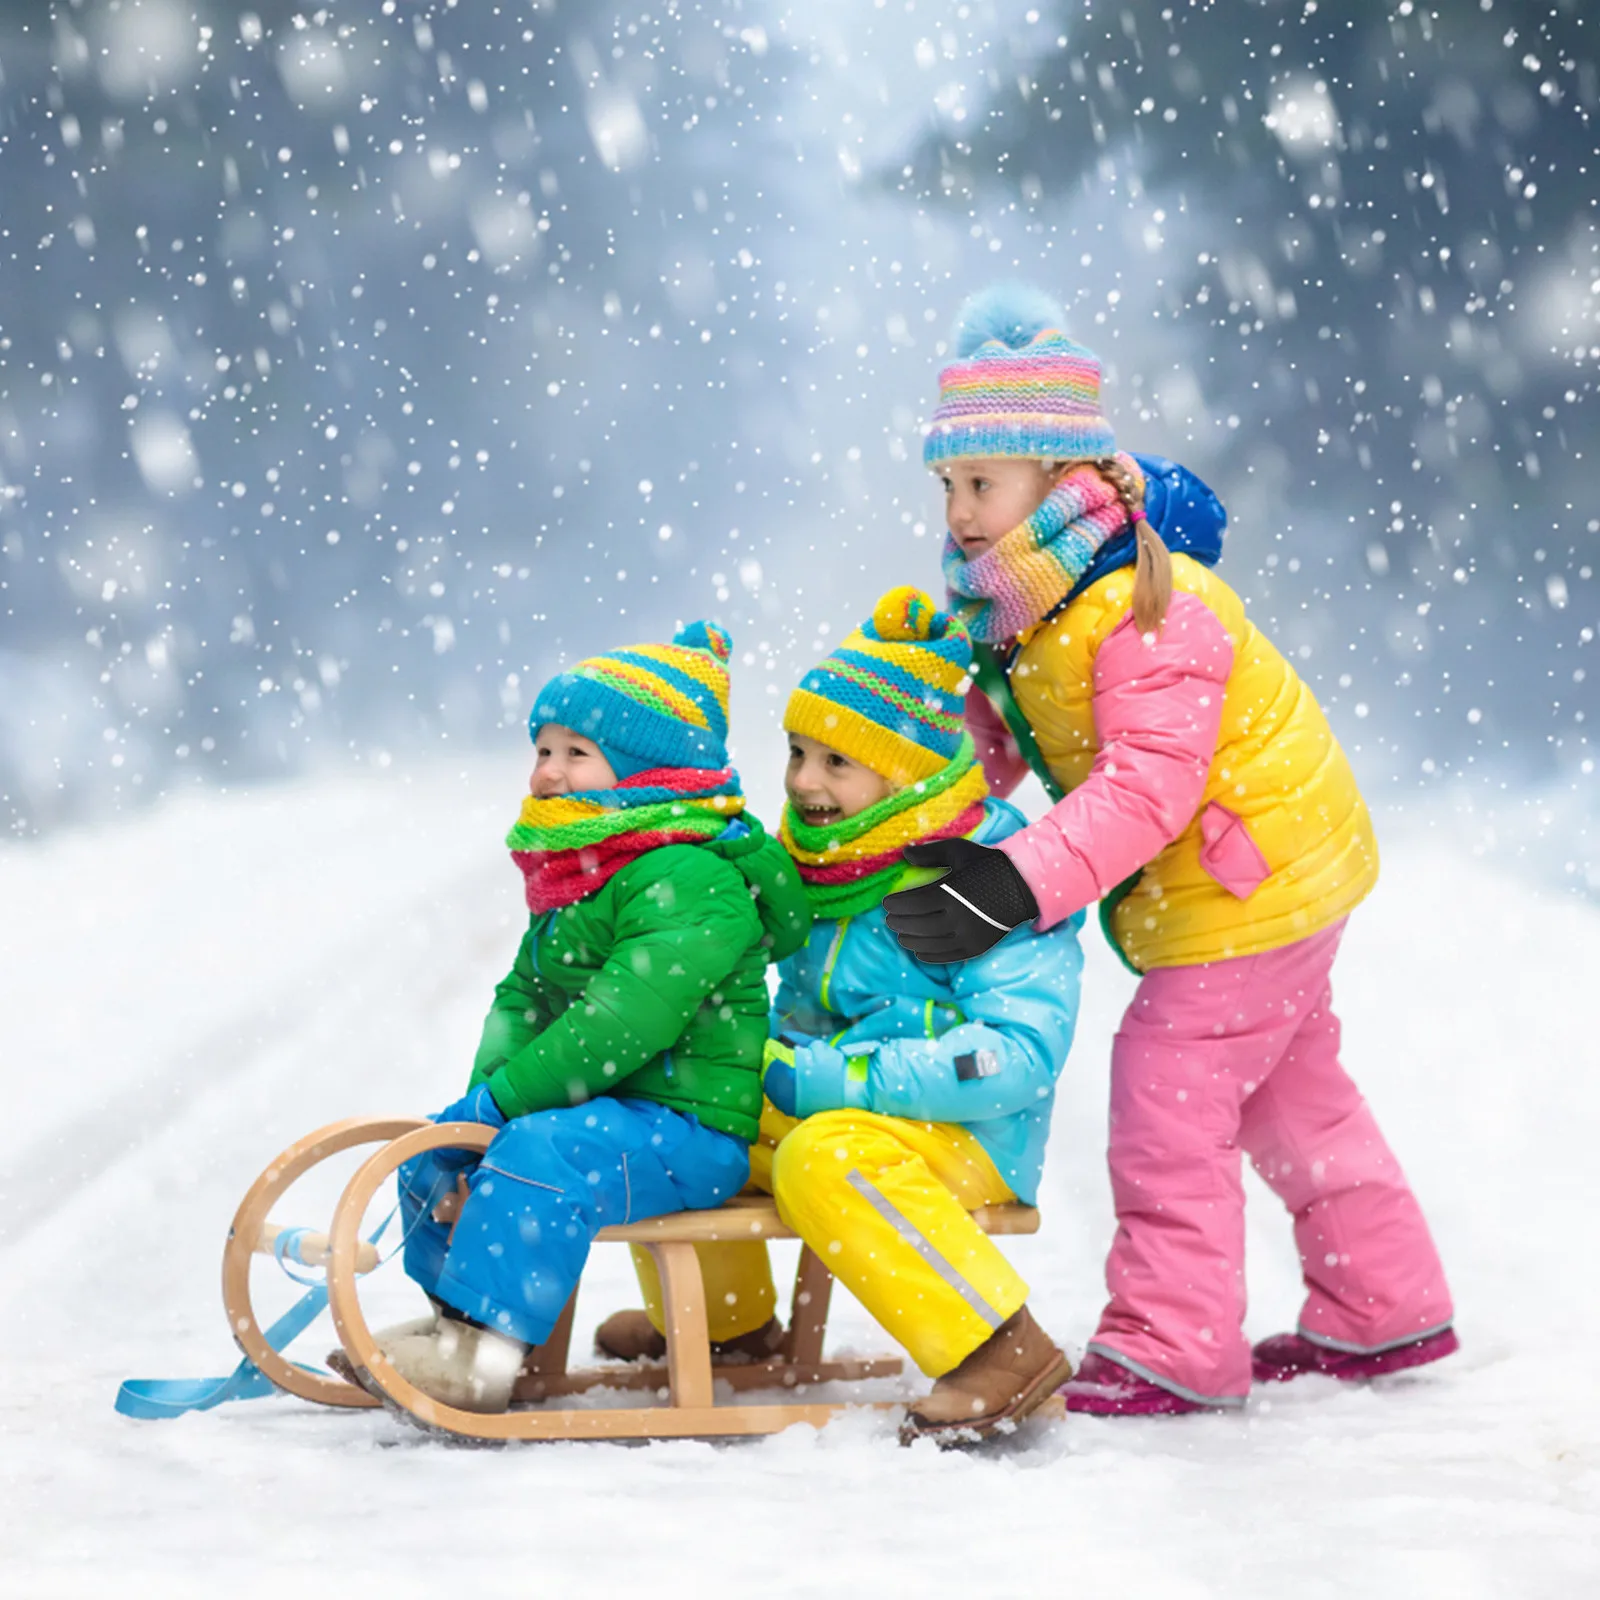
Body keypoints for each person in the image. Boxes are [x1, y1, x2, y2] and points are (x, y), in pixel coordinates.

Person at [885, 285, 1456, 1416]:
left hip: (1251, 875)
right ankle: (1383, 1307)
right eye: (947, 484)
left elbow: (1146, 788)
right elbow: (998, 744)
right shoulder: (1029, 604)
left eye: (981, 484)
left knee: (1170, 1090)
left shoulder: (1150, 602)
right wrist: (906, 815)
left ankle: (1176, 1343)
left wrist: (1014, 883)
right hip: (1259, 874)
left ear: (1057, 484)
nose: (957, 511)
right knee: (1291, 1094)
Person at [595, 587, 1084, 1444]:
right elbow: (800, 1018)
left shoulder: (985, 880)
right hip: (841, 1104)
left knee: (825, 1156)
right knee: (684, 1110)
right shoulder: (828, 872)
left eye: (835, 762)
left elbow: (1014, 1055)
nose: (803, 782)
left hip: (968, 1134)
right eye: (796, 753)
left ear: (907, 774)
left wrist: (839, 1077)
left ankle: (996, 1344)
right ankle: (725, 1325)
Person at [338, 621, 810, 1414]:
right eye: (543, 749)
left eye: (575, 754)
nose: (548, 773)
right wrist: (475, 1107)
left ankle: (487, 1355)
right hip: (605, 1112)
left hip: (687, 1129)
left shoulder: (692, 877)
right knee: (433, 1149)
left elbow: (622, 1023)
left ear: (649, 775)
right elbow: (521, 1001)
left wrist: (503, 1108)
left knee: (537, 1151)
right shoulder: (576, 876)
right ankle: (454, 1325)